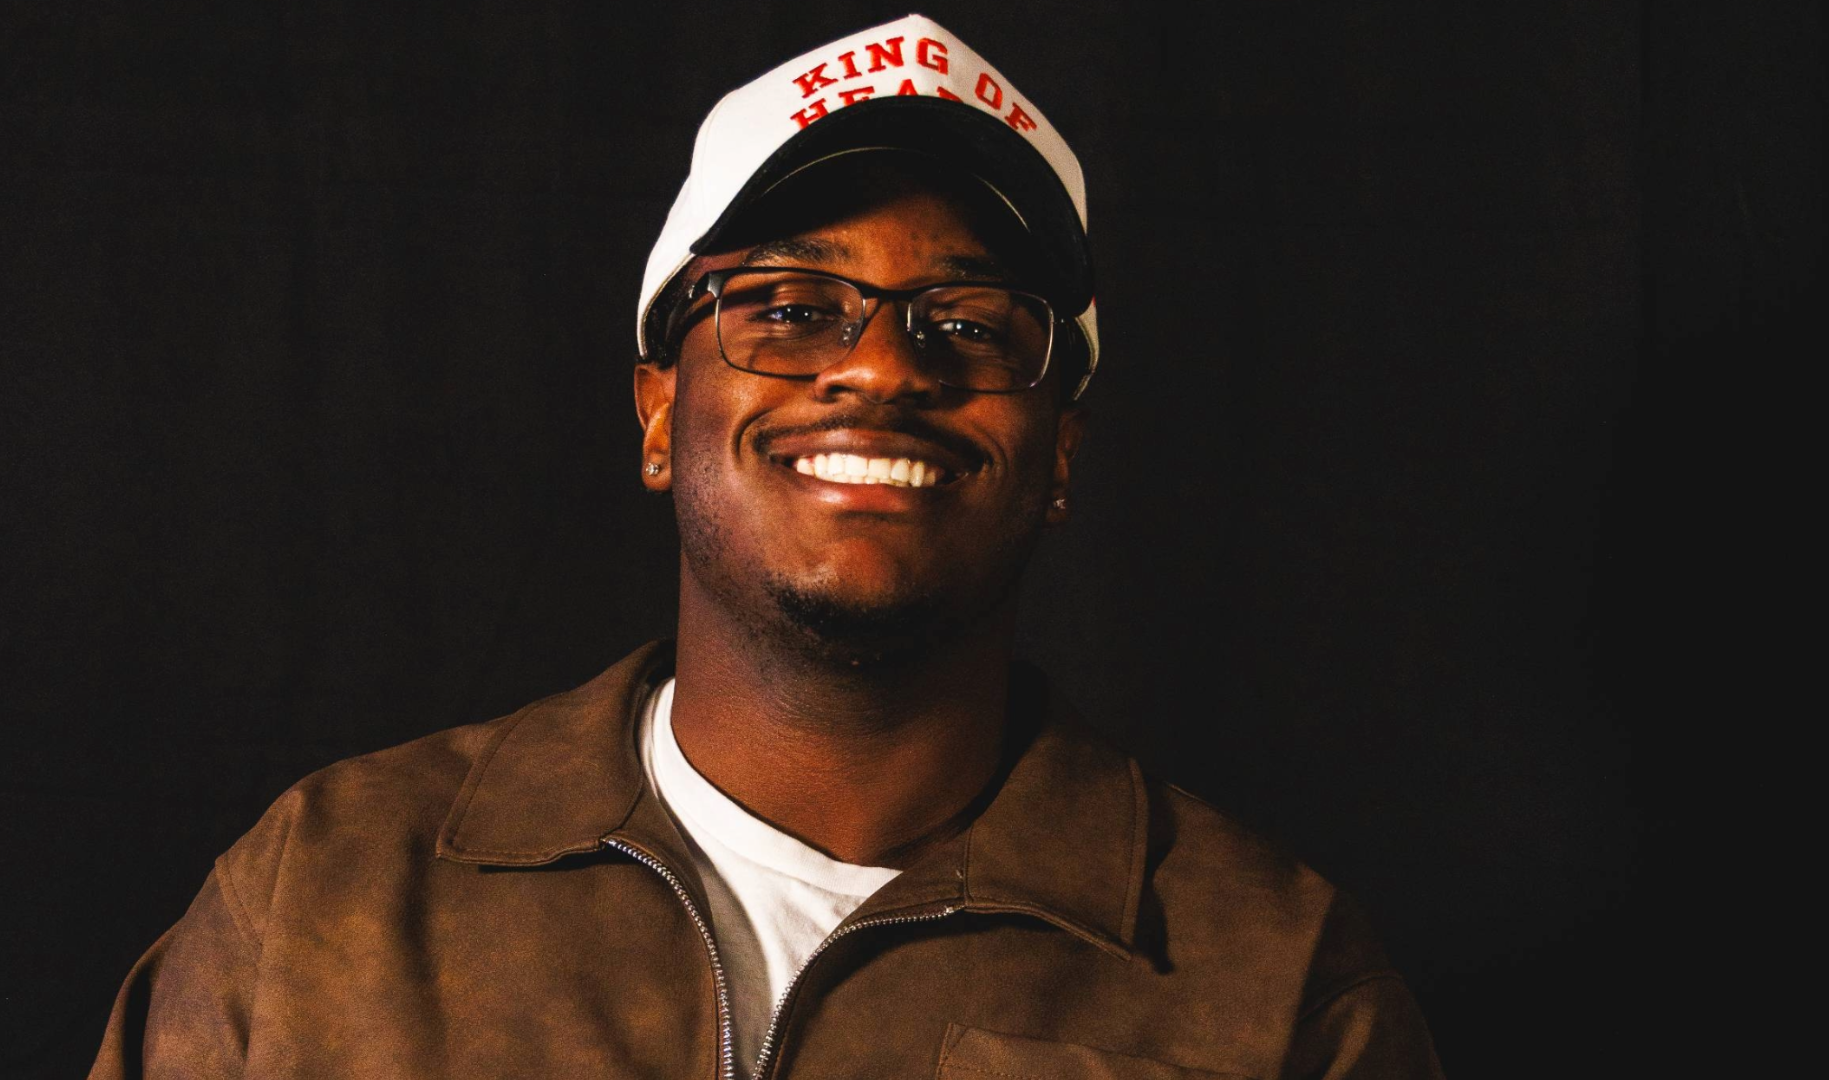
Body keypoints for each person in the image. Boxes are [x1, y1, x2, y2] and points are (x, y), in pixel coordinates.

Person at [91, 14, 1443, 1079]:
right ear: (663, 412)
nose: (876, 368)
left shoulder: (1270, 981)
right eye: (793, 306)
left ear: (1061, 458)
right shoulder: (332, 885)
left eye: (969, 324)